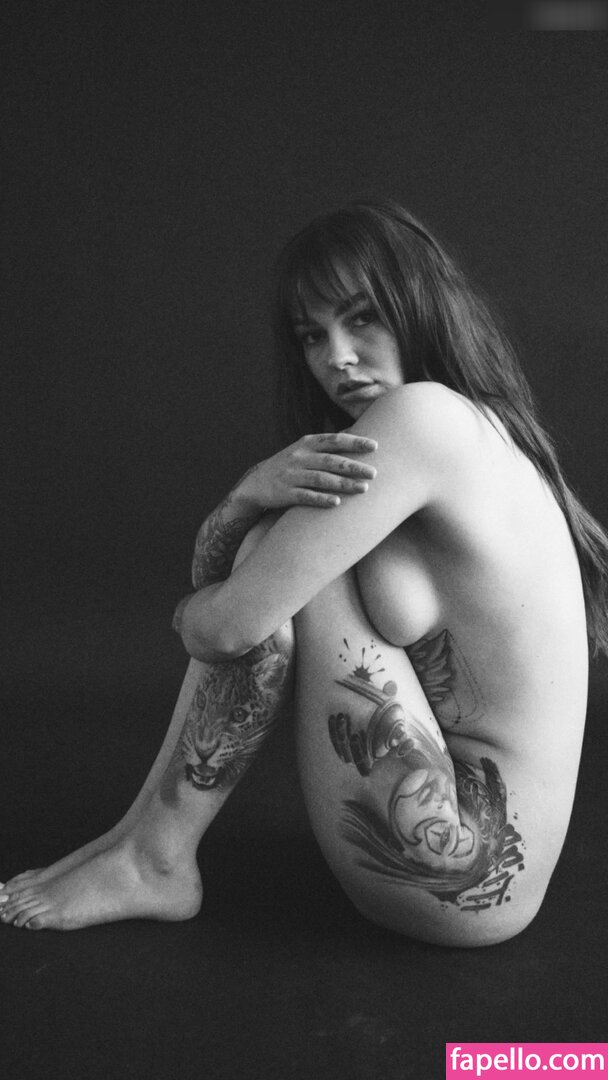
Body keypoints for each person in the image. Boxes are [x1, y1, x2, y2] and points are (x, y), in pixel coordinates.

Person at [2, 199, 607, 946]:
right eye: (312, 336)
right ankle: (139, 845)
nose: (337, 358)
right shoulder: (473, 426)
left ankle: (154, 857)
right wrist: (248, 494)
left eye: (362, 319)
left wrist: (192, 608)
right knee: (274, 552)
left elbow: (226, 627)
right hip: (482, 878)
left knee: (273, 561)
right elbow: (240, 594)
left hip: (461, 873)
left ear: (421, 309)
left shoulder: (424, 418)